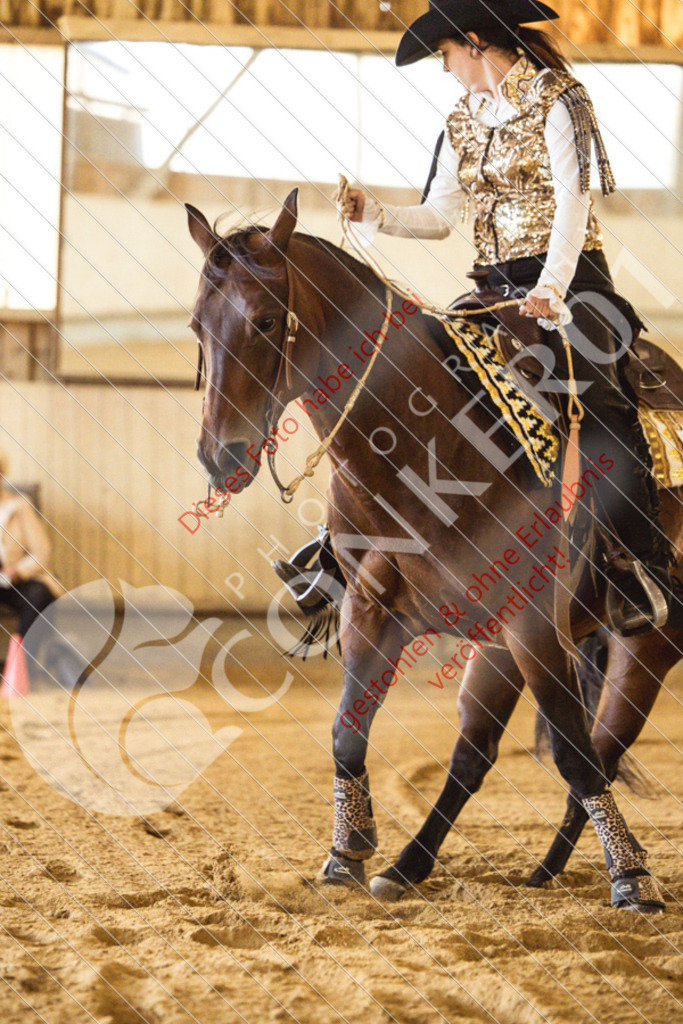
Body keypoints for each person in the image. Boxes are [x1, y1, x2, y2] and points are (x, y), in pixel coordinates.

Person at [343, 0, 672, 635]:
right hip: (494, 287)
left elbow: (575, 200)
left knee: (598, 404)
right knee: (420, 380)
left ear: (472, 42)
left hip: (574, 282)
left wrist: (552, 288)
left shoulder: (560, 98)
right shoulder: (461, 121)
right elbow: (440, 216)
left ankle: (641, 566)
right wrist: (374, 214)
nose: (444, 72)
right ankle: (356, 549)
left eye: (443, 56)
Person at [0, 449, 62, 693]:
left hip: (13, 579)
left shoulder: (18, 506)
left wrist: (17, 572)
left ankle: (18, 667)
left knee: (40, 596)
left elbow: (42, 553)